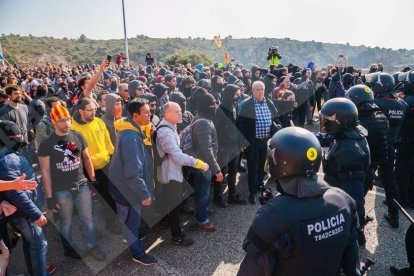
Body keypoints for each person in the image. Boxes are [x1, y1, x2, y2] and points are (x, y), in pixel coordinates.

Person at [238, 127, 360, 276]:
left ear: (280, 163)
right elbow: (352, 264)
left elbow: (252, 271)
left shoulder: (272, 216)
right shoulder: (344, 200)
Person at [38, 104, 106, 261]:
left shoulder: (78, 135)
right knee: (66, 221)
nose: (67, 124)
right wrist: (49, 197)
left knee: (87, 217)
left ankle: (92, 245)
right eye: (62, 120)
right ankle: (69, 248)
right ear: (54, 122)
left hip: (81, 184)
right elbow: (45, 172)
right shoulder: (47, 144)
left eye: (68, 119)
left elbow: (87, 159)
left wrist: (93, 180)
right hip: (61, 189)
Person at [108, 99, 156, 265]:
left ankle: (131, 240)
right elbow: (132, 173)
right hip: (128, 190)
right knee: (131, 223)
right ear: (135, 115)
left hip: (126, 188)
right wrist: (144, 193)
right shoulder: (130, 137)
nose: (150, 115)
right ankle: (137, 253)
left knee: (130, 222)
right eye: (147, 112)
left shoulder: (132, 129)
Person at [0, 120, 50, 276]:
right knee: (39, 244)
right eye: (17, 135)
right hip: (24, 213)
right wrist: (35, 214)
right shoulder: (6, 159)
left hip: (25, 210)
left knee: (31, 244)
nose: (22, 137)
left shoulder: (10, 153)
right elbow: (15, 192)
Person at [155, 102, 209, 245]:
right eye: (176, 111)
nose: (181, 113)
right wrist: (199, 163)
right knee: (174, 206)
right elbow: (178, 156)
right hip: (170, 174)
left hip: (171, 171)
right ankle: (177, 236)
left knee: (171, 203)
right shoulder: (166, 132)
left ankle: (170, 226)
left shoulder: (168, 127)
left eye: (180, 111)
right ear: (166, 114)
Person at [319, 98, 371, 245]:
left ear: (340, 121)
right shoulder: (350, 132)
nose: (324, 123)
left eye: (328, 120)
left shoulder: (349, 152)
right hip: (337, 189)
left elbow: (354, 199)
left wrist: (355, 228)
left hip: (340, 200)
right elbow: (329, 138)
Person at [365, 72, 408, 228]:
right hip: (389, 147)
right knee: (390, 182)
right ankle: (394, 215)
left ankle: (358, 219)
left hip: (373, 147)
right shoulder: (402, 104)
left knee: (364, 182)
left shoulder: (375, 103)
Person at [70, 98, 118, 234]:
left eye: (95, 109)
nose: (93, 112)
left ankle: (111, 222)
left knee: (109, 196)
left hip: (106, 165)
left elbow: (107, 142)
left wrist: (113, 156)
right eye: (90, 110)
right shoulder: (73, 129)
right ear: (80, 111)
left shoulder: (99, 121)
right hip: (86, 170)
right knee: (87, 202)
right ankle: (89, 230)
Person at [237, 81, 281, 204]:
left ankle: (260, 184)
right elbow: (240, 125)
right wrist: (242, 142)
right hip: (253, 141)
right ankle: (252, 192)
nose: (260, 91)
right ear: (252, 90)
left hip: (266, 141)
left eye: (262, 89)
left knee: (263, 166)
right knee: (252, 166)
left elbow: (277, 119)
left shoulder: (269, 103)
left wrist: (276, 127)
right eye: (257, 89)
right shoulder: (246, 105)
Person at [190, 87, 222, 231]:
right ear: (205, 106)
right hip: (203, 165)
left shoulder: (201, 117)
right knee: (203, 193)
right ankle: (203, 220)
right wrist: (217, 170)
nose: (215, 106)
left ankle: (203, 211)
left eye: (215, 103)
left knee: (204, 191)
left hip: (203, 163)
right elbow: (206, 149)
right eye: (212, 104)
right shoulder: (203, 122)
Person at [213, 84, 247, 207]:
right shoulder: (220, 109)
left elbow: (236, 127)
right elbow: (216, 130)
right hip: (223, 147)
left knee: (233, 171)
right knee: (221, 172)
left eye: (239, 94)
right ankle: (218, 197)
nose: (238, 97)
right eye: (236, 94)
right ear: (229, 94)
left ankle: (232, 195)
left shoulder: (234, 107)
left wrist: (240, 143)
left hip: (234, 146)